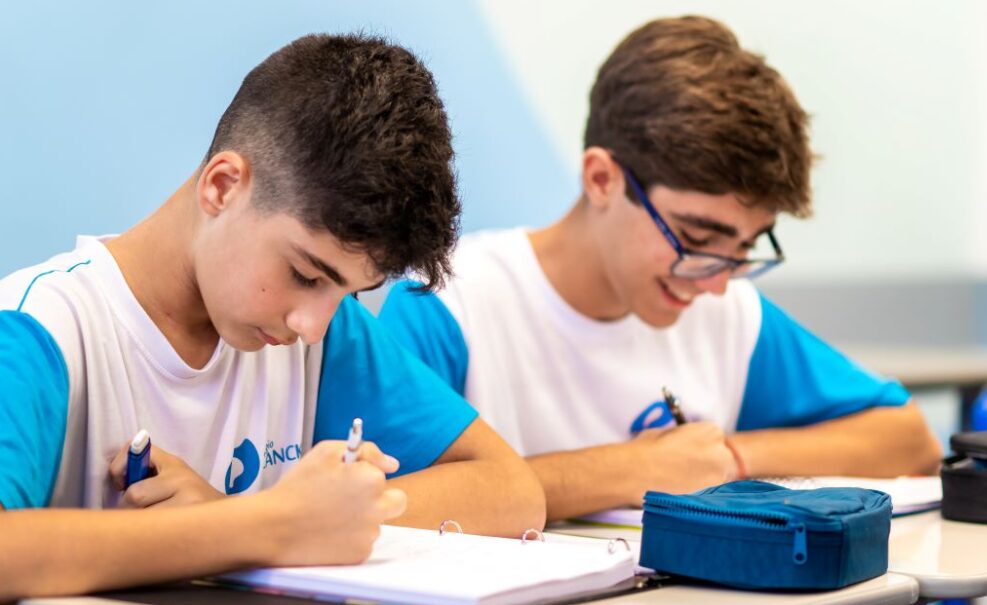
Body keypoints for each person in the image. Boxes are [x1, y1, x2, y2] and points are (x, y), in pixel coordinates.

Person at [0, 33, 545, 605]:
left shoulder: (318, 334)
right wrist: (269, 524)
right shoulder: (44, 325)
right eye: (304, 274)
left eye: (346, 293)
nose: (312, 322)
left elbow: (511, 490)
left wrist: (261, 519)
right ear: (223, 186)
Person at [378, 16, 942, 523]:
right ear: (602, 179)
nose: (718, 281)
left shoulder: (727, 312)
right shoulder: (448, 302)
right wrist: (629, 469)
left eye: (745, 246)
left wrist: (728, 456)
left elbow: (908, 438)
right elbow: (386, 502)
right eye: (696, 238)